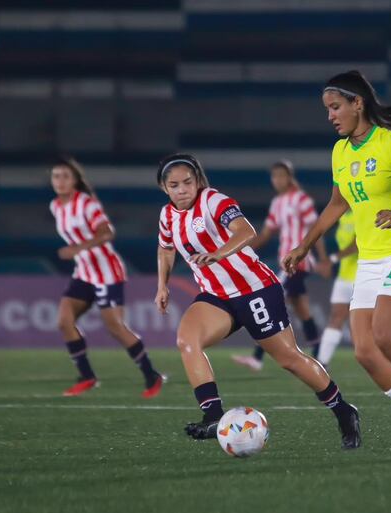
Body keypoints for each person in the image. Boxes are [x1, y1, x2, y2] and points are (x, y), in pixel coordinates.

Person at [283, 70, 391, 459]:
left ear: (358, 103)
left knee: (384, 337)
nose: (330, 116)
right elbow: (338, 204)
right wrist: (305, 245)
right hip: (371, 260)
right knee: (363, 351)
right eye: (327, 109)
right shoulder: (340, 151)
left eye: (336, 107)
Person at [153, 153, 360, 449]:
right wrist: (163, 285)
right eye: (174, 185)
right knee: (187, 340)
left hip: (255, 289)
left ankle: (343, 410)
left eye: (188, 182)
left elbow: (246, 231)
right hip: (216, 296)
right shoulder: (167, 215)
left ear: (198, 180)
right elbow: (166, 249)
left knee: (289, 359)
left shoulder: (214, 201)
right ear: (165, 188)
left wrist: (220, 252)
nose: (182, 189)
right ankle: (213, 416)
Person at [50, 157, 166, 398]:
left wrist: (77, 248)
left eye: (65, 176)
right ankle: (87, 376)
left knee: (115, 328)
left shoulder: (86, 204)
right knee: (64, 321)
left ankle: (151, 375)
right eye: (56, 176)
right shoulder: (56, 206)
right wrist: (79, 253)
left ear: (75, 181)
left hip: (106, 271)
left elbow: (107, 233)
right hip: (84, 272)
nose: (60, 181)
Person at [231, 160, 329, 371]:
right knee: (302, 310)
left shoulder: (301, 200)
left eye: (281, 176)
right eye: (274, 176)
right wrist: (240, 250)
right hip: (287, 262)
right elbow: (266, 233)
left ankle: (257, 358)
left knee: (271, 300)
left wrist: (323, 259)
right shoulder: (278, 203)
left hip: (298, 262)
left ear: (290, 177)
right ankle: (320, 357)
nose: (277, 180)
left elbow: (316, 228)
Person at [315, 209, 358, 367]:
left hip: (362, 276)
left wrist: (331, 259)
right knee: (335, 317)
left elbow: (358, 244)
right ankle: (322, 363)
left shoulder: (360, 212)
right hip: (344, 277)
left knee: (362, 324)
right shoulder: (344, 217)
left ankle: (382, 361)